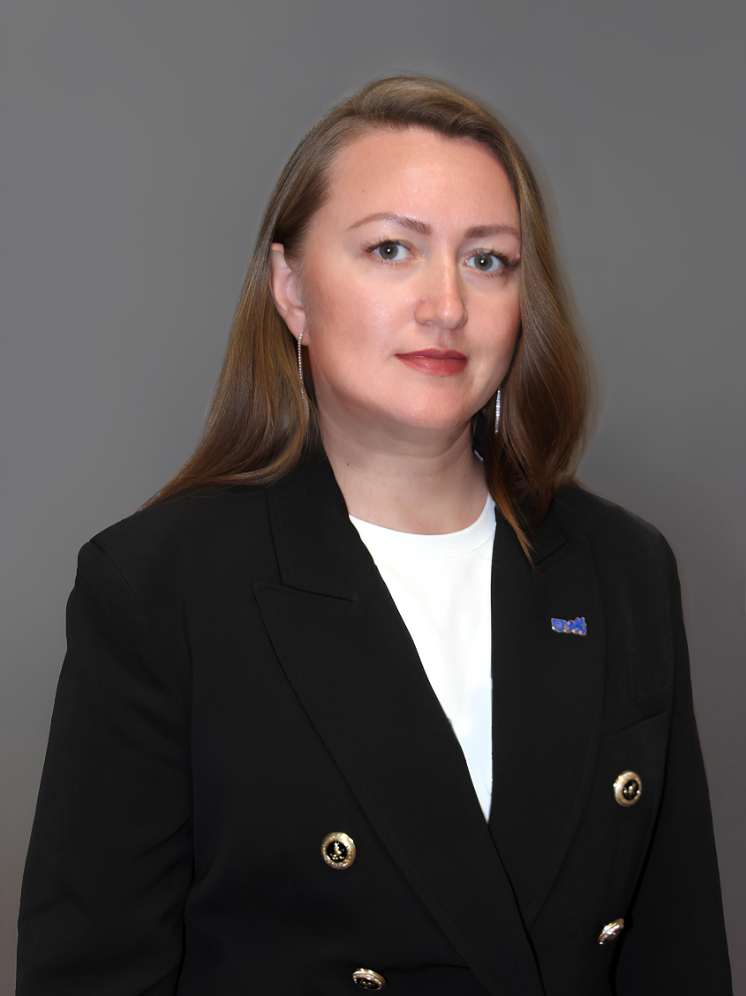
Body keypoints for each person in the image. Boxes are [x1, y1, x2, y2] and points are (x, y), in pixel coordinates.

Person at [16, 75, 732, 996]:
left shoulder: (623, 570)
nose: (447, 304)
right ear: (291, 290)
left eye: (488, 260)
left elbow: (677, 954)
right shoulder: (159, 588)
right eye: (392, 249)